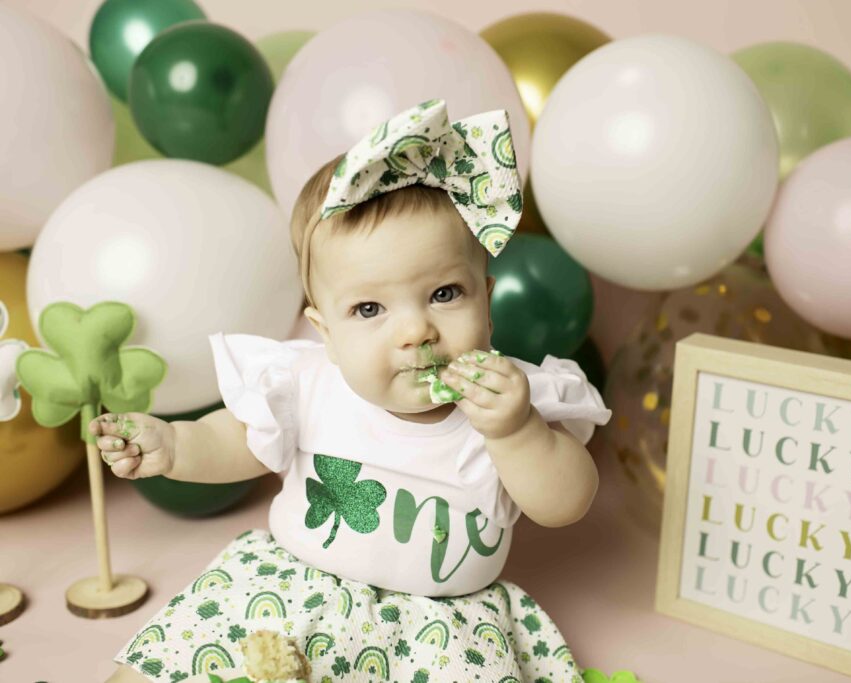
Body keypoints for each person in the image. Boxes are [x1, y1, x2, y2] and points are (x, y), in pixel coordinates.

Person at [97, 99, 612, 683]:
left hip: (440, 632)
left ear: (487, 303)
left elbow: (566, 502)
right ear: (327, 333)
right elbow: (239, 439)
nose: (416, 330)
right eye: (369, 309)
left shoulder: (511, 400)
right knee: (174, 667)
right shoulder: (310, 381)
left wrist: (517, 433)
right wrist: (174, 445)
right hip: (294, 593)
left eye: (445, 294)